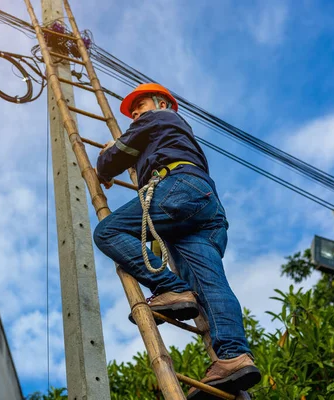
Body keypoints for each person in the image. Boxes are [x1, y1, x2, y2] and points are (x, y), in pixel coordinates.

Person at [92, 83, 261, 397]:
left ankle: (171, 287)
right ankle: (233, 358)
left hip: (178, 189)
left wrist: (105, 161)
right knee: (210, 284)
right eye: (134, 110)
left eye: (140, 105)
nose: (136, 113)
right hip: (204, 203)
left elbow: (115, 156)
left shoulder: (157, 119)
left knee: (108, 232)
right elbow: (133, 151)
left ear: (161, 103)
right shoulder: (171, 134)